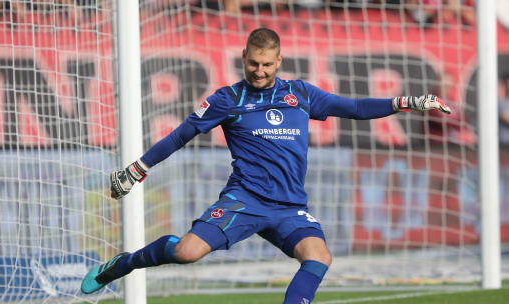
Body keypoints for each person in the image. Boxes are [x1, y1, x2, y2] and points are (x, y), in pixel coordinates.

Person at [81, 27, 451, 303]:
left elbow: (353, 108)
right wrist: (138, 168)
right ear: (244, 57)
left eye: (267, 65)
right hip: (245, 200)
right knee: (186, 253)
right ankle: (122, 265)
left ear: (279, 62)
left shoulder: (301, 95)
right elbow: (181, 135)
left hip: (290, 206)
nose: (259, 71)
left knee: (318, 257)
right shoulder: (227, 99)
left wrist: (408, 102)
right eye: (253, 63)